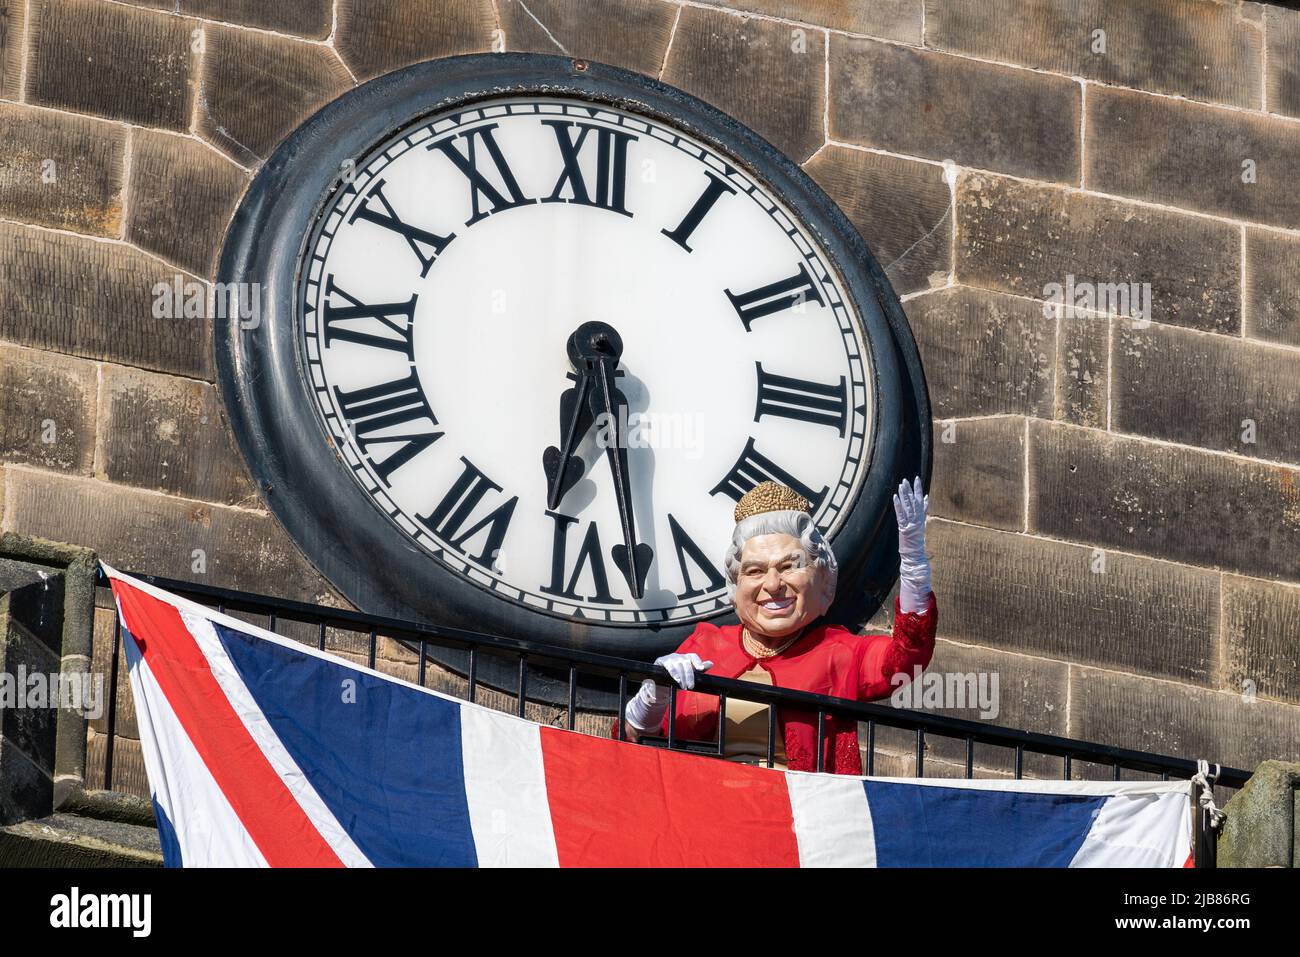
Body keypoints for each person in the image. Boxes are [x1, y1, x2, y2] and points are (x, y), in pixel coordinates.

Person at [617, 477, 936, 774]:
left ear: (822, 576)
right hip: (704, 810)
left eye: (789, 567)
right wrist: (654, 693)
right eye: (755, 571)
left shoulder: (837, 652)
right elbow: (632, 740)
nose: (772, 584)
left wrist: (913, 570)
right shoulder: (704, 645)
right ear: (735, 585)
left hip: (796, 818)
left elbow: (904, 660)